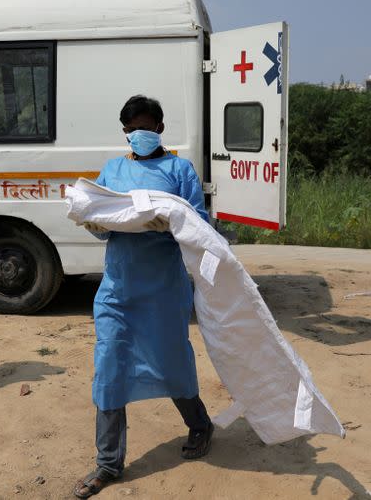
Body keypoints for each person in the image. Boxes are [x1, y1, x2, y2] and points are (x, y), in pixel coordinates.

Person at [73, 96, 214, 498]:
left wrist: (166, 224)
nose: (142, 133)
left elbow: (199, 225)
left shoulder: (179, 169)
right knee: (110, 367)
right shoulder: (113, 169)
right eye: (135, 126)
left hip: (164, 289)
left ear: (161, 128)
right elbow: (101, 219)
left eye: (149, 125)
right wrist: (93, 222)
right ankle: (108, 463)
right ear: (124, 131)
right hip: (118, 289)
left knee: (172, 363)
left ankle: (201, 425)